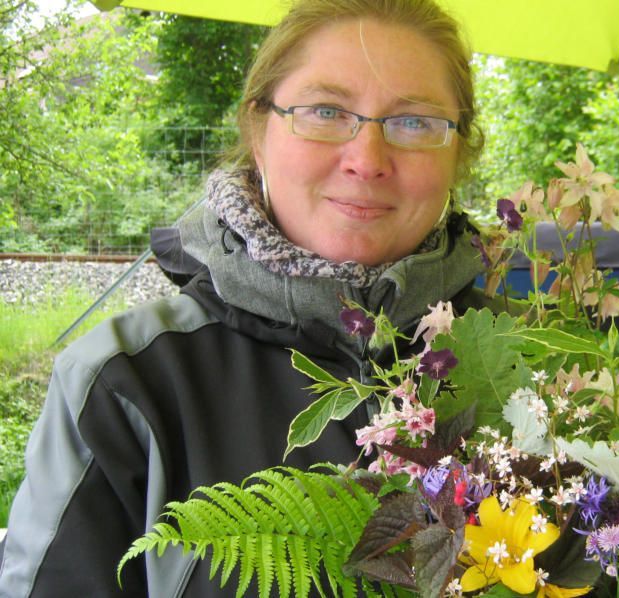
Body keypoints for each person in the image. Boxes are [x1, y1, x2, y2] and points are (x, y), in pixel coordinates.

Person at [0, 0, 492, 595]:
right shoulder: (126, 383)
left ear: (458, 153)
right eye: (325, 111)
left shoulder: (546, 372)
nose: (367, 160)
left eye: (414, 122)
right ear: (259, 133)